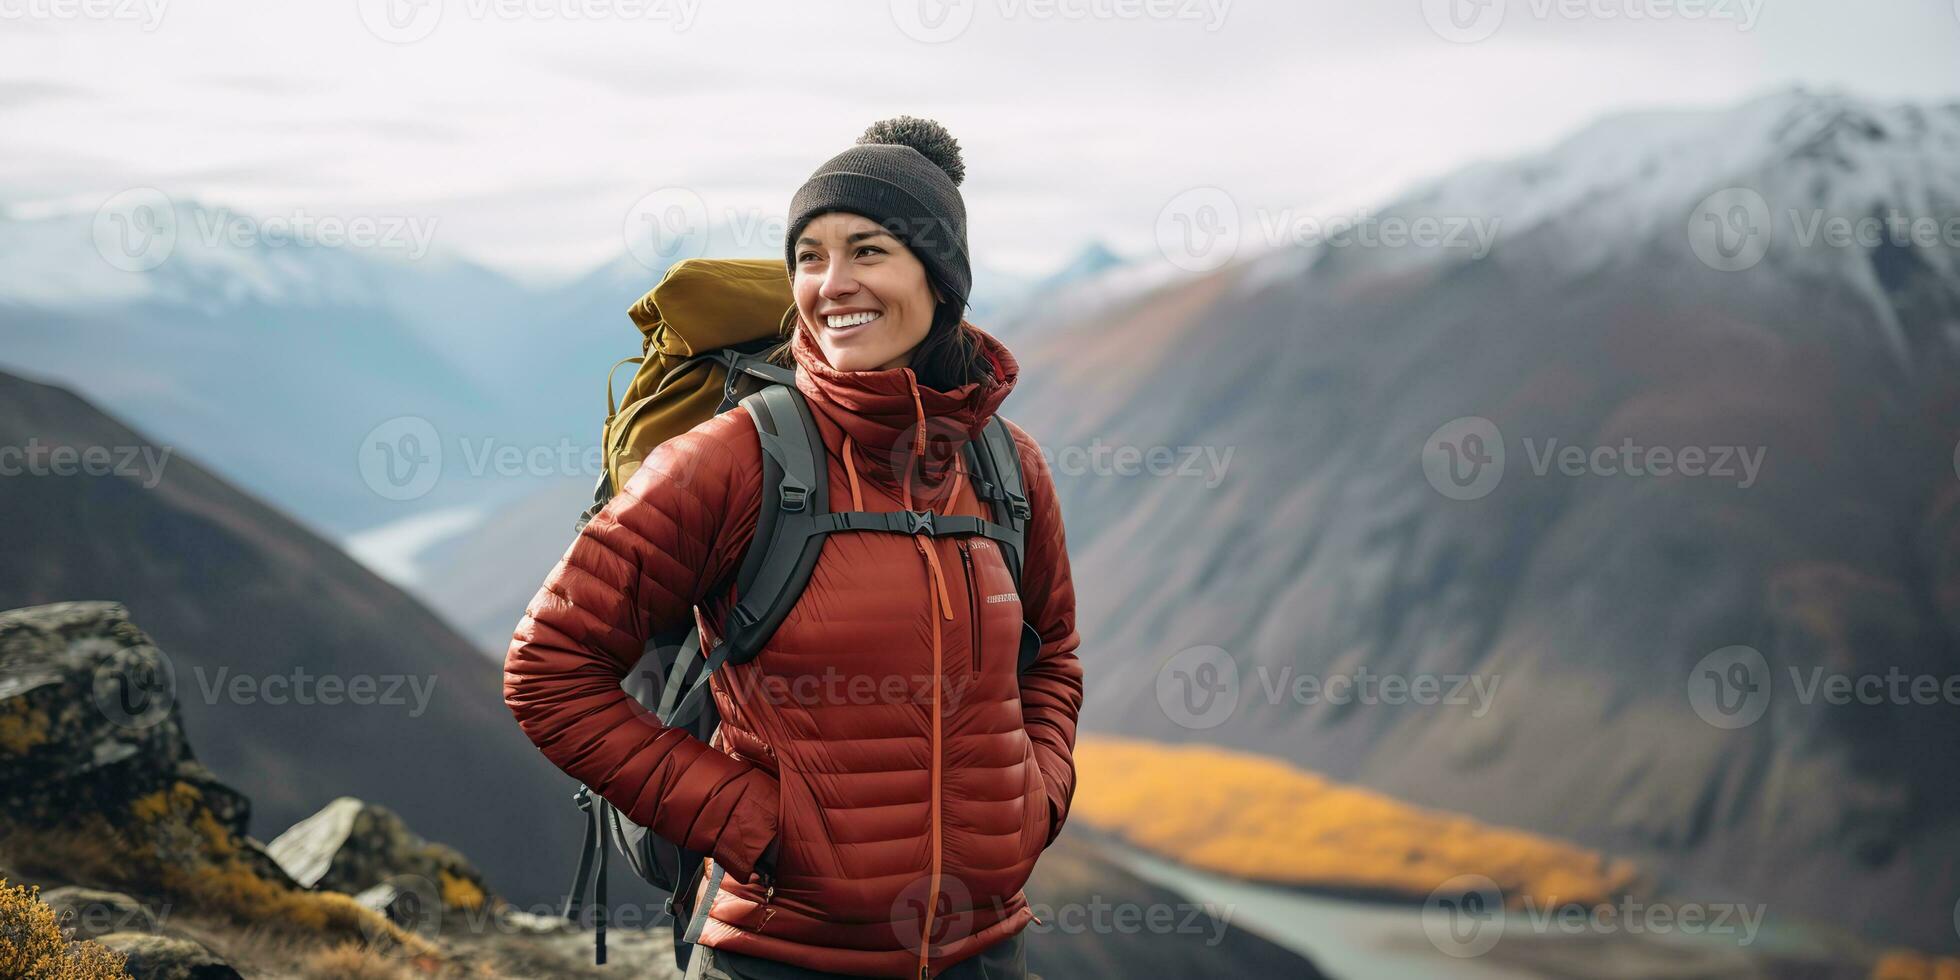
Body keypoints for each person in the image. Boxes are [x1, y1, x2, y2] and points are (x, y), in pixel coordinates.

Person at [505, 116, 1083, 979]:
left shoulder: (1005, 463)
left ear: (942, 276)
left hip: (986, 950)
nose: (831, 283)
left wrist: (1034, 800)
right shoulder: (733, 459)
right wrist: (747, 822)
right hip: (779, 955)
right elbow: (549, 668)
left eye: (868, 251)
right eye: (808, 256)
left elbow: (1053, 657)